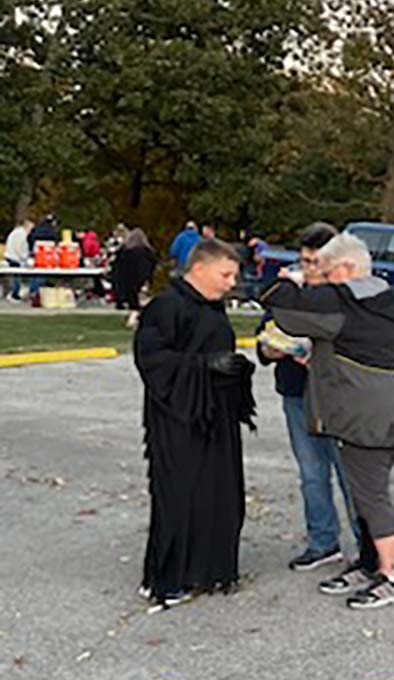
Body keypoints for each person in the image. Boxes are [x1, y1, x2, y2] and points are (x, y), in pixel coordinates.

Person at [262, 233, 394, 610]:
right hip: (390, 409)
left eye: (325, 270)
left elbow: (281, 304)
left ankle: (393, 576)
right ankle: (369, 564)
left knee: (371, 495)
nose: (320, 278)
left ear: (348, 268)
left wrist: (293, 280)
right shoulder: (380, 296)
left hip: (367, 416)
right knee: (364, 492)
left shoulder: (347, 298)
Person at [133, 240, 256, 612]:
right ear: (199, 269)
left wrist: (235, 370)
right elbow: (152, 359)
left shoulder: (212, 308)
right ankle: (168, 578)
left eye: (234, 275)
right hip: (178, 420)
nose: (231, 282)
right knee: (180, 497)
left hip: (216, 417)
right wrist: (205, 368)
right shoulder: (167, 307)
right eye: (226, 274)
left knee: (220, 493)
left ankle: (209, 571)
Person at [256, 223, 360, 572]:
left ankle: (367, 546)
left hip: (339, 399)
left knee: (351, 475)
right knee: (311, 472)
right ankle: (322, 541)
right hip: (296, 393)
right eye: (304, 261)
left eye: (316, 262)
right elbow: (265, 331)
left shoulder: (346, 297)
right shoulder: (291, 293)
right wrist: (272, 350)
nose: (310, 269)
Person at [111, 228, 159, 326]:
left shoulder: (124, 252)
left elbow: (116, 267)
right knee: (143, 300)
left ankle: (133, 317)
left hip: (128, 280)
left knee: (134, 302)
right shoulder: (148, 252)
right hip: (143, 279)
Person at [4, 221, 28, 301]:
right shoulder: (21, 234)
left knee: (15, 277)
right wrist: (24, 257)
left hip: (11, 255)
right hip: (14, 257)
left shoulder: (16, 232)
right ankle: (14, 294)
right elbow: (18, 247)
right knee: (16, 277)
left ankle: (14, 293)